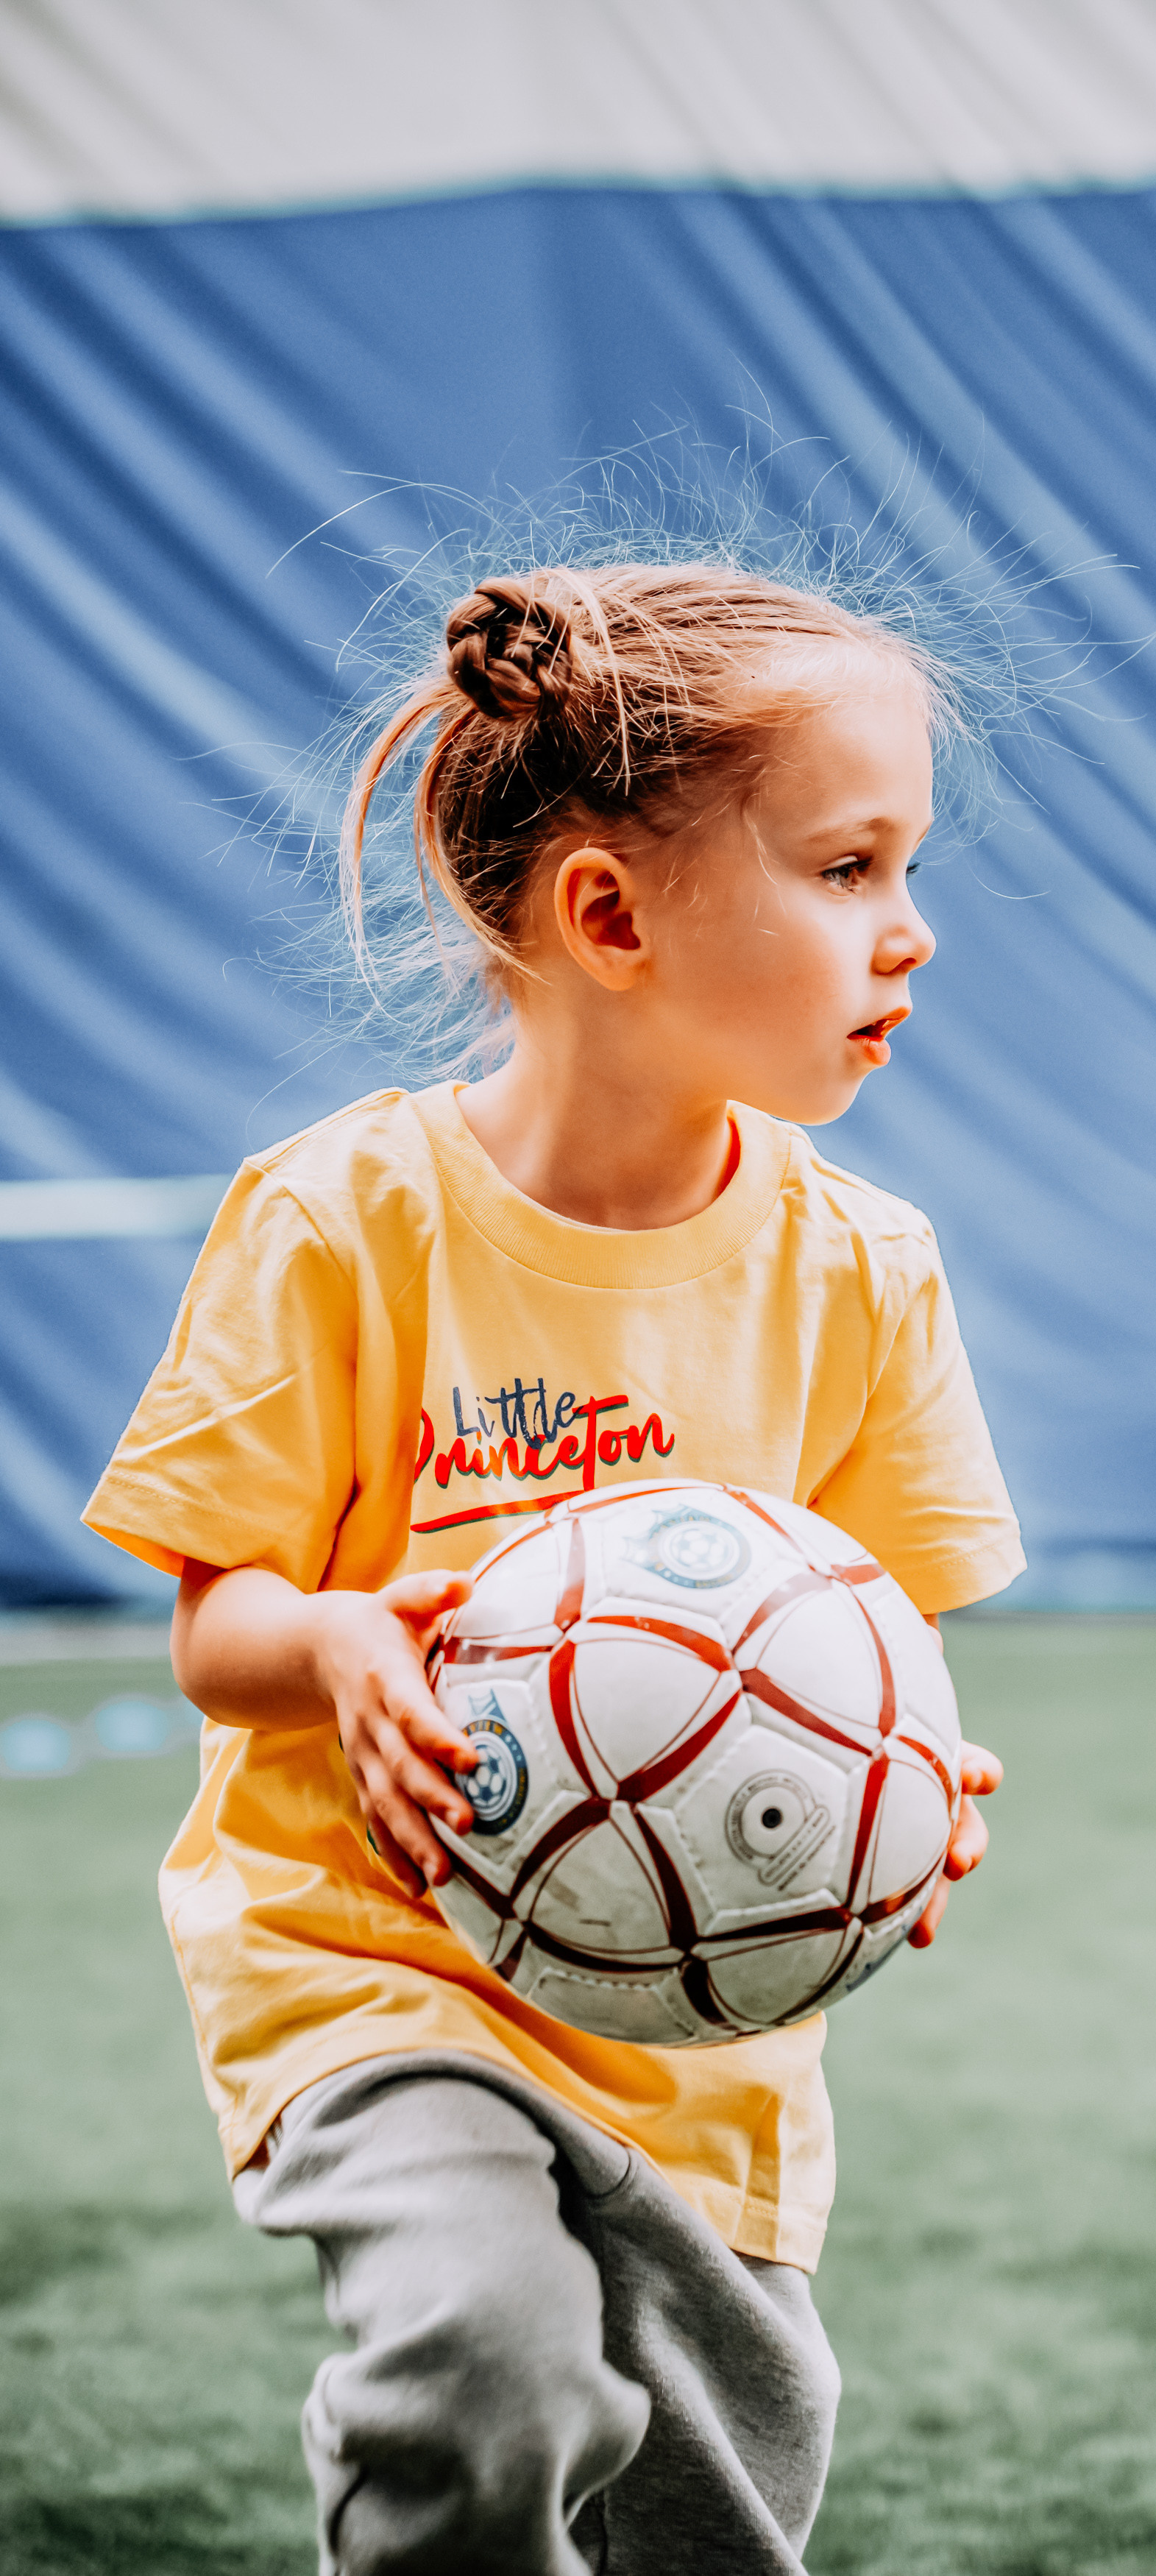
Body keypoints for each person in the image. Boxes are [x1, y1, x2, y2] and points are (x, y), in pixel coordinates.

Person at [83, 563, 1024, 2575]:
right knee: (490, 2356)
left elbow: (887, 1647)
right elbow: (215, 1625)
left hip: (700, 2024)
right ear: (607, 914)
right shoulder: (339, 1224)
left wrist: (915, 1786)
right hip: (378, 1969)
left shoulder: (866, 1266)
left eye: (908, 863)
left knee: (719, 2491)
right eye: (850, 866)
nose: (912, 927)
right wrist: (334, 1639)